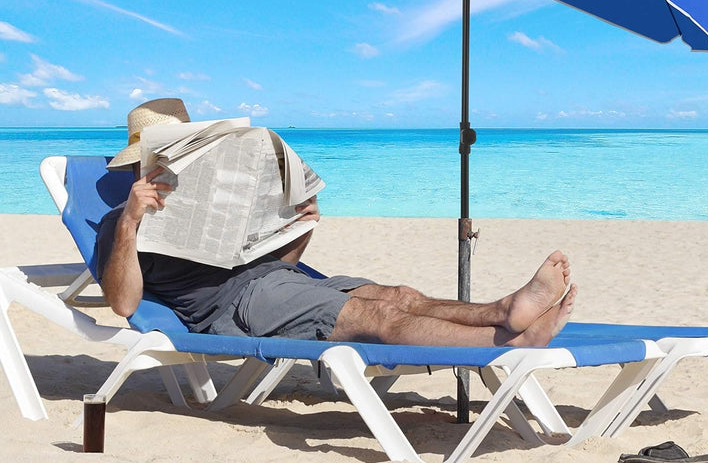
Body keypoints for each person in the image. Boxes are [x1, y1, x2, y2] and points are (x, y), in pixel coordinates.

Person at [97, 98, 577, 347]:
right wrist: (130, 224)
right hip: (238, 307)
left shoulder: (215, 196)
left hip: (279, 281)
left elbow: (276, 264)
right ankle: (510, 341)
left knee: (401, 296)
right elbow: (122, 303)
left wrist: (299, 225)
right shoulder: (119, 222)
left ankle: (503, 310)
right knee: (381, 319)